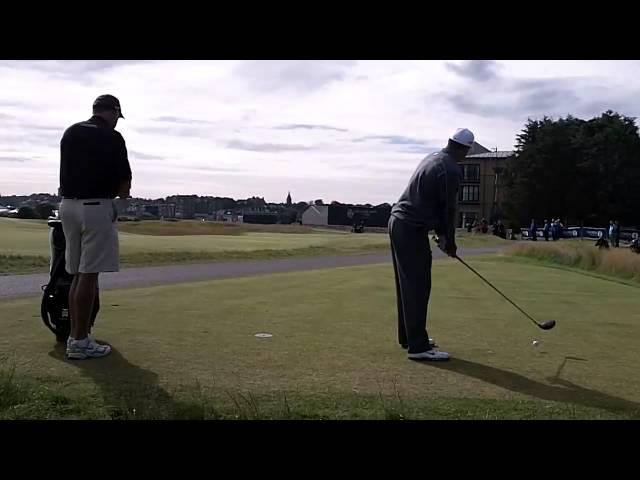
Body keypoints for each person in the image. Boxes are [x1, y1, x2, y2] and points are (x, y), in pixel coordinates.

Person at [389, 127, 474, 361]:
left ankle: (410, 337)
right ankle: (417, 347)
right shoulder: (451, 170)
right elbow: (447, 209)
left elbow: (433, 203)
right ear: (466, 149)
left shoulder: (433, 157)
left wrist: (441, 235)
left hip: (399, 222)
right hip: (410, 227)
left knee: (407, 285)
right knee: (418, 285)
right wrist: (449, 241)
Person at [58, 94, 132, 360]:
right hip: (95, 208)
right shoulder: (113, 137)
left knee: (77, 274)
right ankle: (79, 341)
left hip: (67, 206)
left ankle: (76, 337)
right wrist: (119, 207)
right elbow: (124, 180)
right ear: (112, 112)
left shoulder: (71, 131)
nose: (116, 122)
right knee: (89, 275)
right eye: (116, 116)